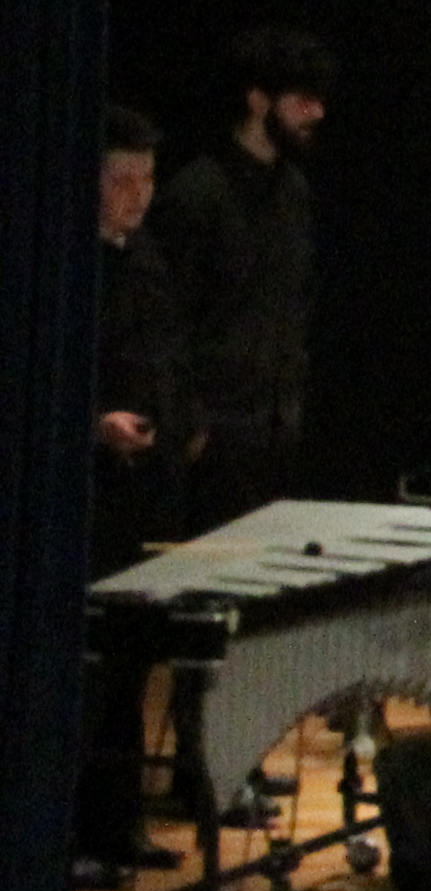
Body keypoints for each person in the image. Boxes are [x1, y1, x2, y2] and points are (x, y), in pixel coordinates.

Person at [149, 31, 326, 537]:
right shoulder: (196, 195)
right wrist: (190, 419)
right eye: (303, 100)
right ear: (258, 101)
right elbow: (166, 320)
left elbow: (293, 305)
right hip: (214, 438)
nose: (316, 114)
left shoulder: (293, 192)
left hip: (274, 430)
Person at [80, 105, 175, 885]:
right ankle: (76, 835)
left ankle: (120, 828)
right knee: (88, 674)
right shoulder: (71, 273)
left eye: (145, 180)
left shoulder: (144, 260)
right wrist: (94, 425)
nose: (137, 196)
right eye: (122, 180)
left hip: (143, 491)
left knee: (133, 672)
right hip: (86, 497)